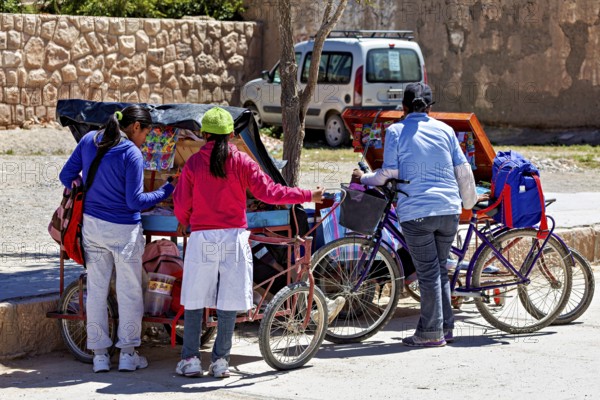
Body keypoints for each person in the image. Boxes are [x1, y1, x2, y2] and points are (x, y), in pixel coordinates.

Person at [173, 107, 324, 378]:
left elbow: (182, 203)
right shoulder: (241, 161)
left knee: (195, 299)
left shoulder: (195, 162)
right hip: (233, 238)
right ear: (231, 134)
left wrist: (184, 218)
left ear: (204, 134)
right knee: (229, 300)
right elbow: (270, 192)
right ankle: (221, 362)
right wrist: (307, 194)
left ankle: (191, 360)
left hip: (203, 238)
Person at [352, 83, 479, 347]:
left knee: (429, 272)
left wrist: (363, 178)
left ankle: (430, 333)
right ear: (430, 108)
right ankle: (446, 328)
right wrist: (470, 203)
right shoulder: (446, 130)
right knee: (439, 270)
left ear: (404, 107)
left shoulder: (396, 131)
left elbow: (389, 173)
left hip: (418, 213)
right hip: (449, 210)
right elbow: (463, 170)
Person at [59, 105, 175, 372]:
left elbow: (66, 176)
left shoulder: (89, 140)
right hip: (124, 232)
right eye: (146, 132)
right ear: (136, 127)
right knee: (129, 291)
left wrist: (83, 188)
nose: (146, 139)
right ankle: (127, 353)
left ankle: (99, 355)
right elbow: (134, 202)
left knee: (97, 290)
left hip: (93, 228)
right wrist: (164, 190)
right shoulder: (131, 153)